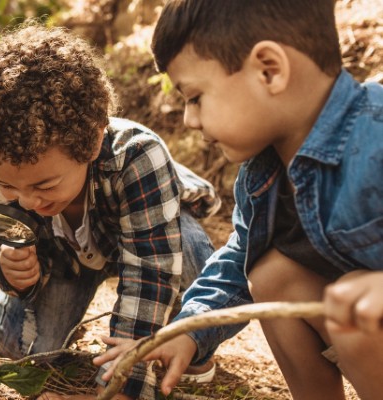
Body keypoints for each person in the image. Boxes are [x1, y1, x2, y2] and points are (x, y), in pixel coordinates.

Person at [96, 0, 383, 399]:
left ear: (269, 69)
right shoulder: (261, 173)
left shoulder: (375, 135)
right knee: (270, 274)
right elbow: (237, 261)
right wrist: (186, 333)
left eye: (195, 97)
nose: (189, 120)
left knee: (357, 291)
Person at [0, 23, 221, 400]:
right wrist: (16, 275)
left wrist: (122, 386)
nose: (27, 201)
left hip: (149, 236)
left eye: (44, 186)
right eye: (12, 186)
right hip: (67, 260)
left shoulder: (138, 157)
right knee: (19, 347)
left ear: (92, 141)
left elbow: (150, 273)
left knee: (191, 256)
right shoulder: (3, 182)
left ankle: (190, 351)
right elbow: (10, 252)